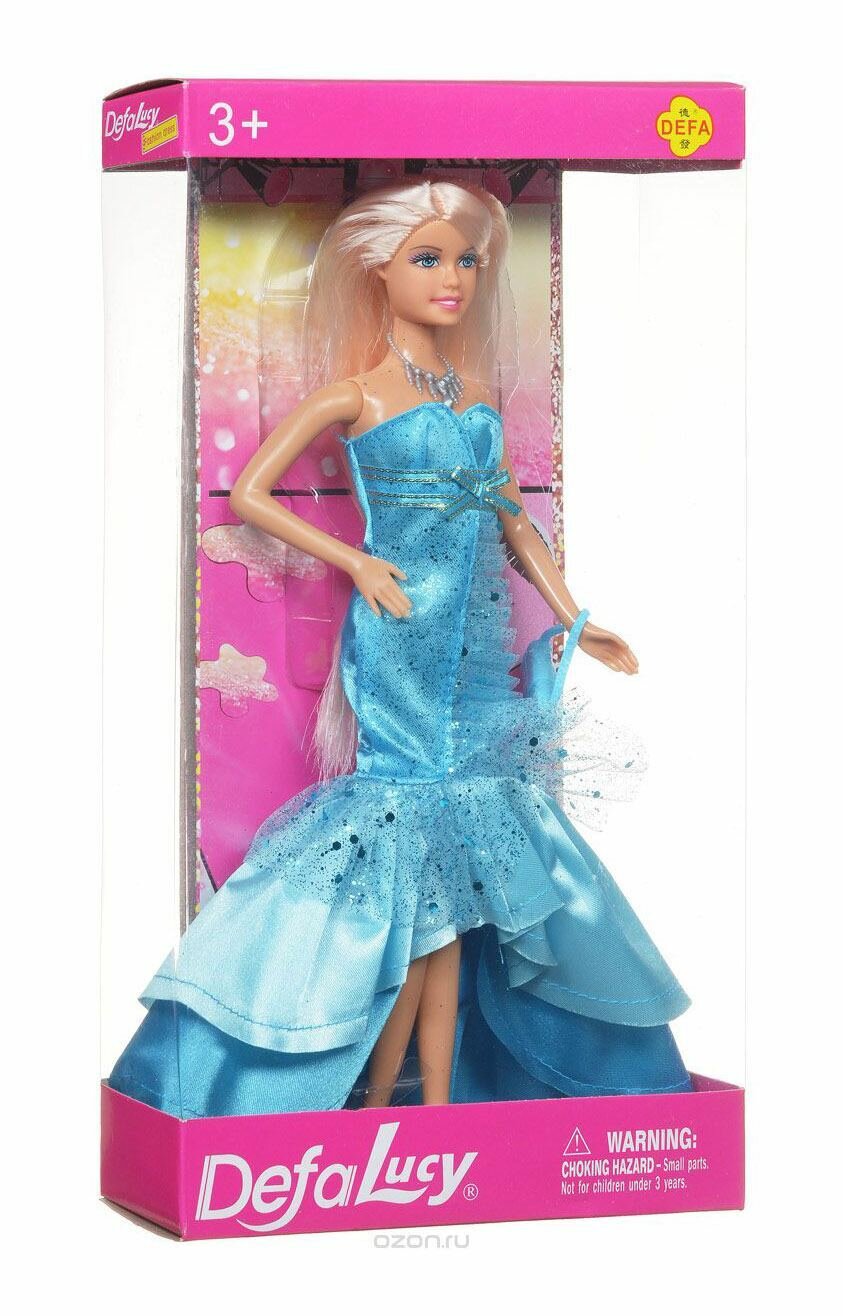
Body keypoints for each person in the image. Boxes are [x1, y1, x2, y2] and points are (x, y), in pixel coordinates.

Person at [109, 179, 691, 1117]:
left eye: (467, 260)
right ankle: (380, 1090)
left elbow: (514, 522)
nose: (453, 278)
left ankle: (427, 1106)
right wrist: (354, 561)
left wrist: (577, 616)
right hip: (397, 634)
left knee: (451, 880)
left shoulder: (475, 397)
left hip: (474, 646)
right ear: (378, 269)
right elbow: (251, 491)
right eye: (428, 258)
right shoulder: (356, 394)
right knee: (410, 843)